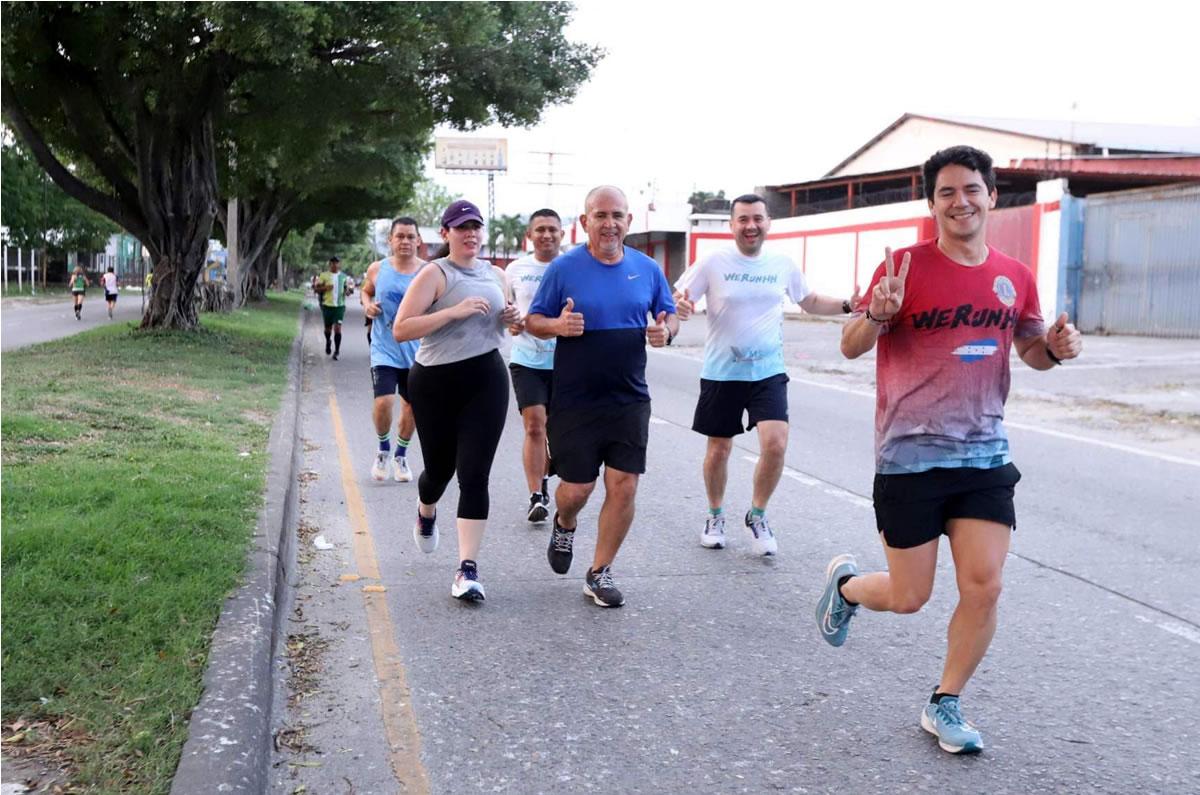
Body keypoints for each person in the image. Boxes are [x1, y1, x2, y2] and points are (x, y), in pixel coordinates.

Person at [815, 145, 1082, 755]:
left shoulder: (1015, 275)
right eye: (946, 192)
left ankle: (946, 701)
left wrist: (1059, 350)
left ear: (991, 195)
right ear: (931, 202)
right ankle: (850, 587)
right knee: (910, 597)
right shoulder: (903, 266)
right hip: (909, 456)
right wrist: (878, 315)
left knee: (984, 586)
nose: (960, 201)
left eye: (971, 189)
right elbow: (851, 345)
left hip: (984, 455)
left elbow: (1033, 350)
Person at [674, 194, 860, 556]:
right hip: (722, 372)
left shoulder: (782, 263)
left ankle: (757, 514)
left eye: (757, 218)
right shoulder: (713, 261)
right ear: (731, 225)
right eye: (742, 219)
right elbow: (681, 298)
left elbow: (809, 301)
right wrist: (679, 307)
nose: (750, 226)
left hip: (768, 371)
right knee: (719, 450)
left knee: (775, 444)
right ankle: (715, 515)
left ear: (768, 223)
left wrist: (850, 304)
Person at [525, 186, 678, 608]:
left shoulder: (647, 269)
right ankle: (564, 521)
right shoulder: (563, 268)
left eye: (617, 215)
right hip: (576, 398)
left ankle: (600, 571)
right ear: (585, 221)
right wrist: (557, 326)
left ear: (629, 222)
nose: (609, 223)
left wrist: (667, 331)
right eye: (600, 215)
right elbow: (533, 320)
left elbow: (670, 315)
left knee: (625, 486)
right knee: (577, 489)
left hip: (630, 397)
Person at [393, 200, 519, 602]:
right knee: (439, 471)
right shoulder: (435, 273)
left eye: (476, 227)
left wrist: (513, 318)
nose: (471, 234)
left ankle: (467, 569)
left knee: (474, 473)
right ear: (445, 234)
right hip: (435, 382)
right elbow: (402, 329)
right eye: (461, 227)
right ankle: (426, 509)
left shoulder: (497, 274)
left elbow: (510, 323)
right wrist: (454, 312)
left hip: (486, 378)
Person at [504, 209, 564, 524]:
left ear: (562, 235)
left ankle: (547, 468)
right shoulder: (515, 269)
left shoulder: (573, 266)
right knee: (535, 425)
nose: (546, 235)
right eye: (540, 229)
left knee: (558, 430)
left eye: (552, 230)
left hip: (566, 362)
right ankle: (536, 495)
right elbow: (507, 310)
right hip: (527, 358)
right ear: (530, 235)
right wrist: (512, 323)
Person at [363, 218, 424, 484]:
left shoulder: (428, 272)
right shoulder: (378, 269)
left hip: (417, 352)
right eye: (400, 236)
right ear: (390, 240)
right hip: (384, 349)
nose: (405, 241)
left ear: (418, 241)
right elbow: (366, 292)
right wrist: (367, 305)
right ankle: (383, 449)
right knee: (384, 402)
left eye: (410, 237)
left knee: (412, 408)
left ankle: (400, 455)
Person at [314, 256, 351, 360]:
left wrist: (348, 291)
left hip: (339, 306)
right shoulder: (323, 276)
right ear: (329, 264)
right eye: (333, 263)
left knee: (338, 329)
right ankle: (328, 341)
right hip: (327, 306)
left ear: (339, 264)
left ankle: (337, 351)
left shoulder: (343, 277)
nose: (335, 265)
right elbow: (316, 289)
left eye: (337, 263)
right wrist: (325, 288)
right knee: (327, 329)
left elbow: (347, 290)